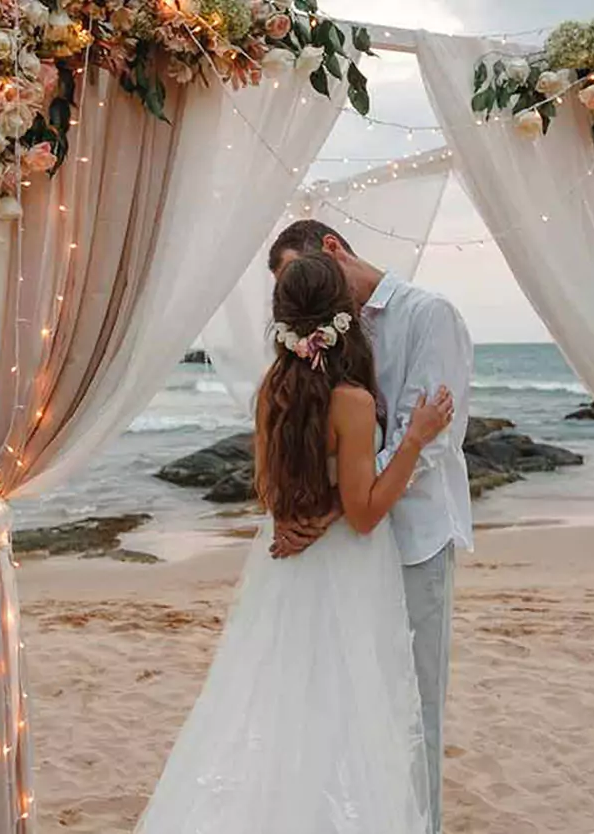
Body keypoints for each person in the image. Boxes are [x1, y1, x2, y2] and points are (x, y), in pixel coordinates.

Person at [136, 252, 455, 833]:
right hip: (349, 569)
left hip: (285, 567)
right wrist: (415, 438)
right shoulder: (353, 403)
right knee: (351, 706)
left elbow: (272, 490)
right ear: (344, 317)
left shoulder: (271, 390)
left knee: (285, 699)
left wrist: (300, 516)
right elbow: (364, 513)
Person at [268, 220, 475, 834]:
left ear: (332, 250)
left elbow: (435, 442)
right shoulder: (327, 336)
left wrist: (334, 506)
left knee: (415, 711)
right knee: (349, 708)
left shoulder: (431, 316)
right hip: (347, 554)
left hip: (411, 542)